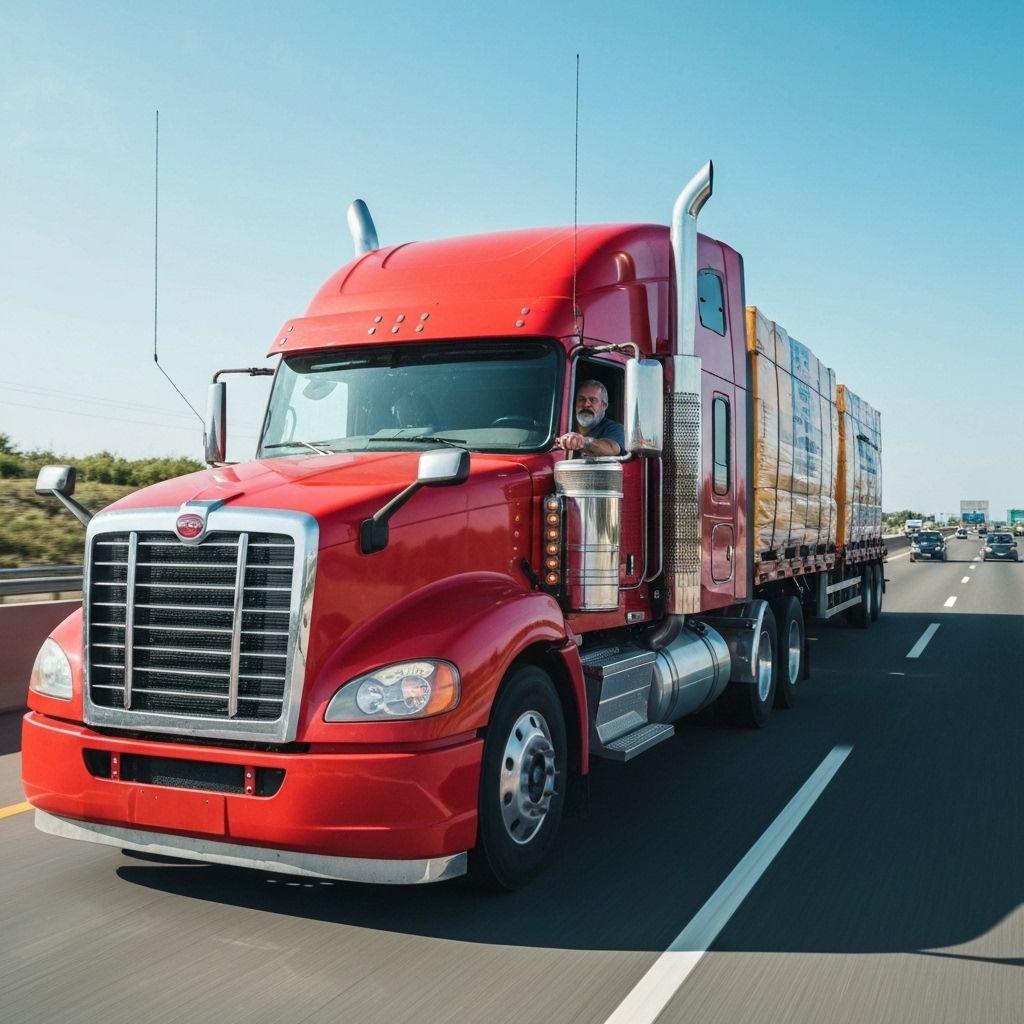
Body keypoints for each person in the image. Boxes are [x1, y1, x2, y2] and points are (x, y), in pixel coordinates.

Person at [555, 380, 624, 456]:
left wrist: (582, 441)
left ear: (604, 405)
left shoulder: (615, 429)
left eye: (593, 400)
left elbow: (612, 448)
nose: (586, 404)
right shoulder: (559, 426)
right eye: (581, 399)